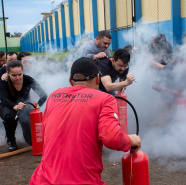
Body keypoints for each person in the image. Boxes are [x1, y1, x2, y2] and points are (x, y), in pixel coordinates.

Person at [30, 57, 141, 185]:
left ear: (71, 81)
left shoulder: (54, 95)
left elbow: (46, 133)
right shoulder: (104, 99)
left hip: (41, 180)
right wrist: (131, 140)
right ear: (98, 79)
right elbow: (113, 139)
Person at [0, 60, 47, 151]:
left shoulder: (28, 79)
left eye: (19, 74)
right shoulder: (3, 81)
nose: (17, 78)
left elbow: (43, 95)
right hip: (7, 106)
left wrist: (37, 106)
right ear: (8, 73)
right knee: (10, 115)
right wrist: (15, 106)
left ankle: (29, 137)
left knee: (26, 115)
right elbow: (4, 99)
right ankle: (11, 140)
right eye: (14, 75)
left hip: (24, 106)